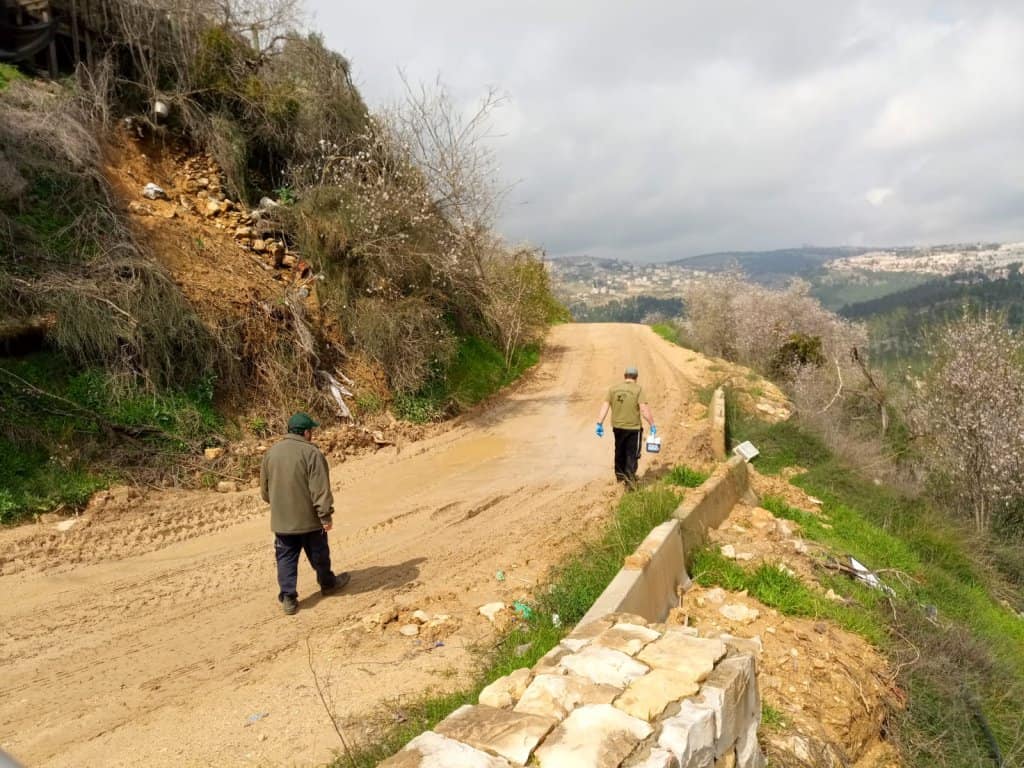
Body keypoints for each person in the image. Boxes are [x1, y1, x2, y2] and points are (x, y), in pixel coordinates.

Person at [260, 412, 348, 615]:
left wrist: (281, 507)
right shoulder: (312, 453)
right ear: (306, 432)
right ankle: (328, 584)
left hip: (282, 521)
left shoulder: (271, 453)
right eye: (312, 431)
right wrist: (325, 516)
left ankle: (289, 598)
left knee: (286, 558)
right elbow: (320, 489)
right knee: (319, 554)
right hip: (310, 520)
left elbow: (265, 492)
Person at [595, 366, 656, 485]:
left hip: (617, 427)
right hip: (633, 428)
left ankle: (620, 479)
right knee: (631, 454)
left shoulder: (613, 389)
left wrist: (599, 423)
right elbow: (644, 410)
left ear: (625, 376)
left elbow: (605, 406)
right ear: (636, 378)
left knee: (619, 451)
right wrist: (652, 424)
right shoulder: (638, 390)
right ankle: (630, 481)